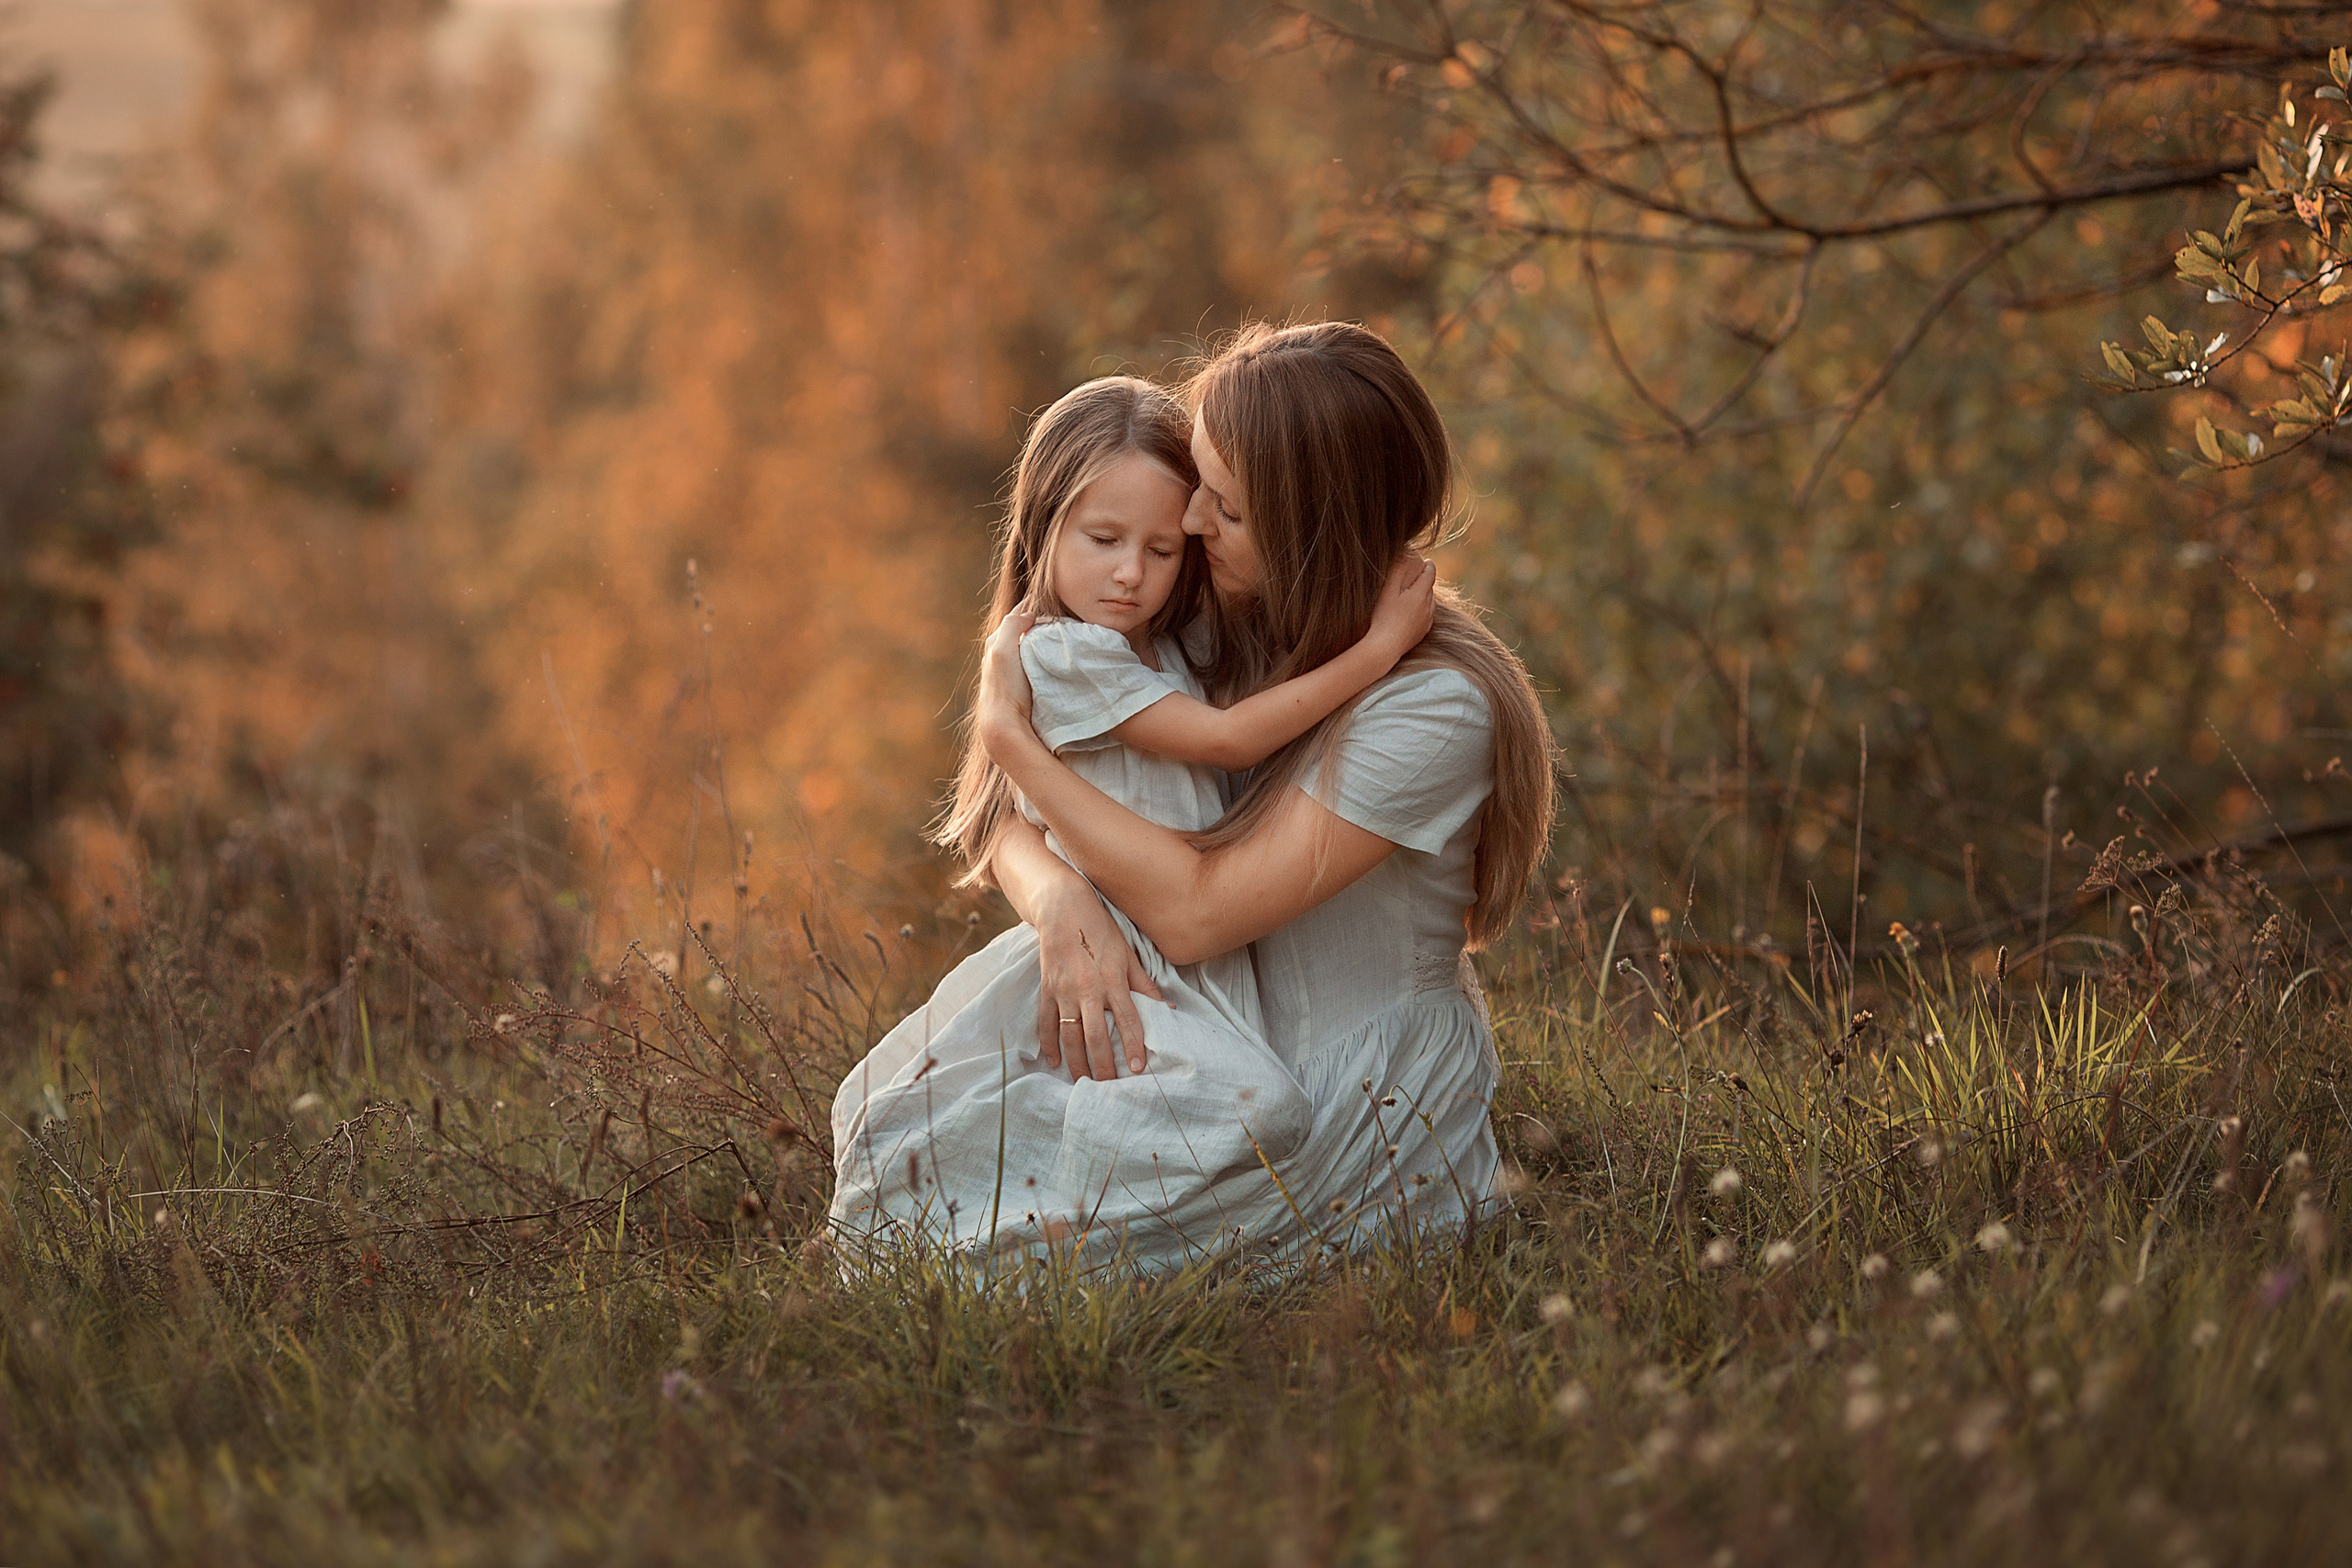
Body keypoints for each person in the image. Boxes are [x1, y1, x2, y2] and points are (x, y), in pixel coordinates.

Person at [974, 321, 1556, 1260]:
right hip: (1217, 1048)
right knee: (952, 1203)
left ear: (1307, 528)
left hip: (1360, 1094)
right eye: (1201, 484)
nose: (1194, 524)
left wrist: (1007, 739)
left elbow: (1198, 918)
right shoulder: (1227, 629)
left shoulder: (1436, 708)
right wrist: (1057, 902)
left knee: (1028, 1265)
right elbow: (1011, 821)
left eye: (1228, 509)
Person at [829, 374, 1437, 1265]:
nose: (1129, 574)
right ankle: (1021, 1222)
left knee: (1246, 1114)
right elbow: (1226, 741)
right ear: (1044, 529)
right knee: (1255, 1109)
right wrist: (1381, 650)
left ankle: (1072, 1221)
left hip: (1187, 956)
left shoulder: (1155, 643)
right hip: (1132, 952)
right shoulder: (1070, 656)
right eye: (1103, 540)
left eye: (1161, 550)